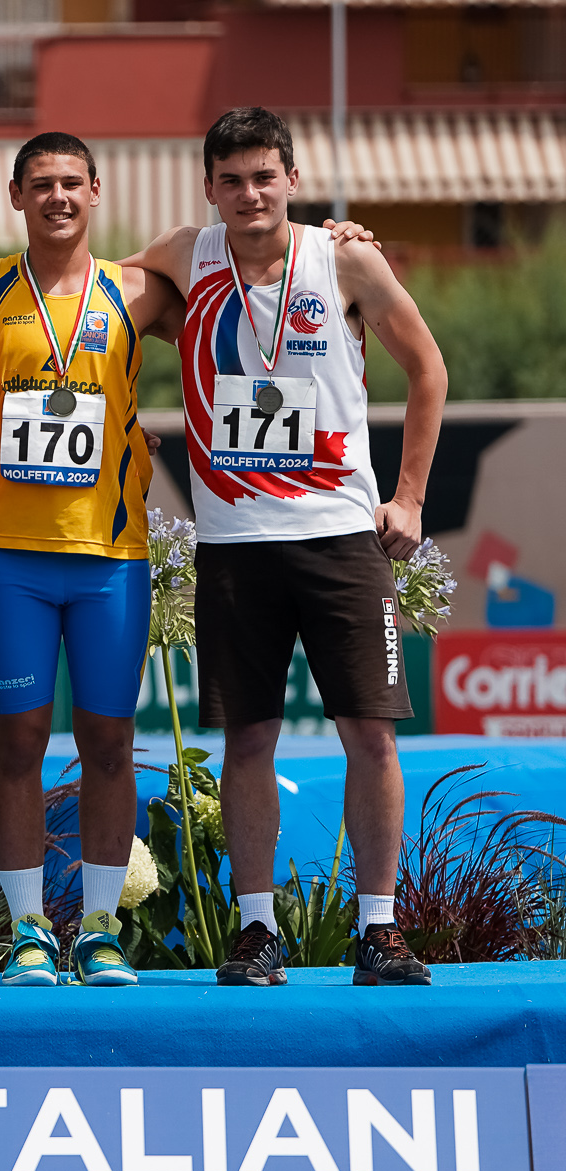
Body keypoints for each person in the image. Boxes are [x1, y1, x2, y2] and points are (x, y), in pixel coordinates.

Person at [128, 107, 446, 986]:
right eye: (231, 179)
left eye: (265, 176)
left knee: (371, 738)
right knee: (247, 742)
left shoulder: (342, 256)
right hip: (234, 543)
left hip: (340, 536)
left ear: (293, 181)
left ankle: (379, 930)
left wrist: (410, 496)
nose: (249, 193)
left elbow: (428, 367)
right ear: (208, 188)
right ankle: (257, 928)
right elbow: (83, 278)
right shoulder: (186, 254)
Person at [0, 132, 187, 988]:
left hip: (111, 557)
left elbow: (227, 269)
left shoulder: (137, 289)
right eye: (40, 185)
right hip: (11, 560)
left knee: (110, 742)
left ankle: (104, 929)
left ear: (96, 189)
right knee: (18, 745)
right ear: (16, 195)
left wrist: (338, 243)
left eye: (71, 183)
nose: (57, 198)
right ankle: (30, 930)